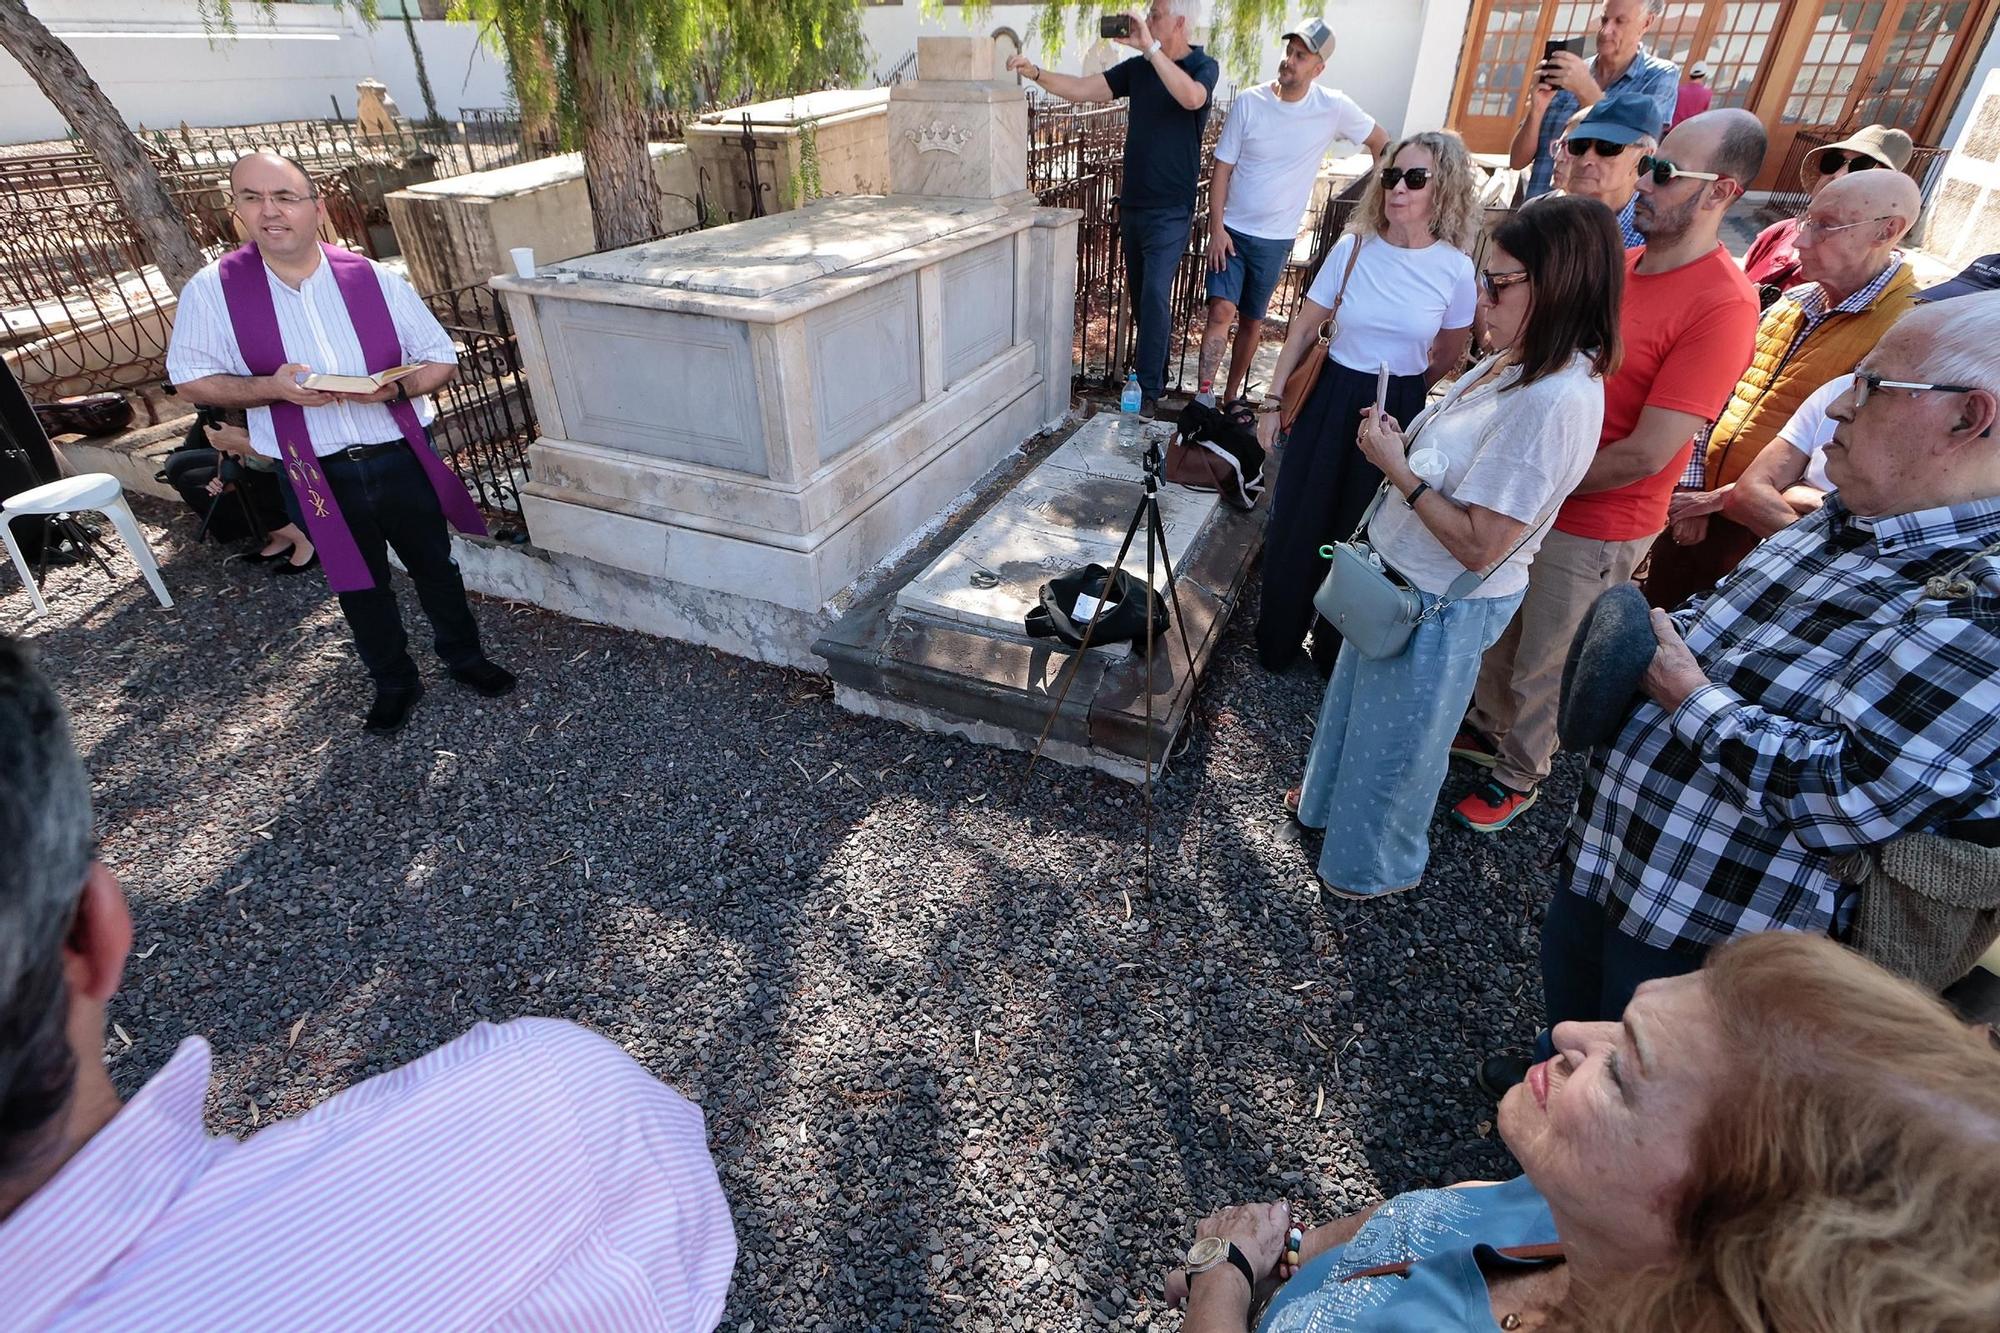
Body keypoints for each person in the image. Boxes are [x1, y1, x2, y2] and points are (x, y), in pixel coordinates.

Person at [0, 637, 736, 1326]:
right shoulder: (549, 1094)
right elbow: (685, 1253)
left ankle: (462, 654)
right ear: (99, 925)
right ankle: (400, 678)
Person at [1531, 293, 2000, 1049]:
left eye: (1872, 385)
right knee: (1574, 1023)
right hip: (1623, 851)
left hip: (1717, 923)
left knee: (1656, 1104)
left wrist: (1687, 698)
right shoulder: (1846, 513)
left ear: (1968, 417)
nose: (1841, 407)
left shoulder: (1981, 601)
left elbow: (1848, 795)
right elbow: (1712, 622)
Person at [1163, 932, 2000, 1332]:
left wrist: (1223, 1281)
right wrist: (1296, 1246)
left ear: (1740, 1248)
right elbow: (1430, 1219)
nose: (1569, 1034)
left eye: (1625, 1069)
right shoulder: (1588, 1203)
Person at [1285, 196, 1623, 898]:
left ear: (1557, 284)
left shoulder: (1553, 399)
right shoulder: (1516, 361)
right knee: (1358, 716)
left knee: (1397, 752)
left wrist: (1397, 469)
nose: (1480, 300)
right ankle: (1327, 815)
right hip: (1404, 583)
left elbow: (1481, 545)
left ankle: (1367, 868)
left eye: (1499, 285)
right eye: (1483, 278)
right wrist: (1405, 446)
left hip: (1440, 601)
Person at [1454, 111, 1765, 832]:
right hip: (1537, 494)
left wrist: (1533, 482)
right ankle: (1487, 726)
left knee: (1550, 653)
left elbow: (1650, 450)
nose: (1646, 183)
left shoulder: (1724, 304)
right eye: (1649, 165)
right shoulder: (1619, 268)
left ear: (1719, 190)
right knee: (1501, 627)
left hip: (1599, 517)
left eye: (1663, 172)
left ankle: (1521, 770)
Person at [167, 152, 516, 736]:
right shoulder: (215, 291)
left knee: (436, 564)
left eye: (284, 196)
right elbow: (191, 378)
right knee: (358, 580)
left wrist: (393, 388)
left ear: (317, 208)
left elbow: (440, 358)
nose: (270, 211)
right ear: (237, 213)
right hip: (313, 470)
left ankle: (464, 657)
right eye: (252, 198)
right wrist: (269, 389)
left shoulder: (372, 278)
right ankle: (394, 682)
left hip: (398, 456)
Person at [1253, 132, 1480, 674]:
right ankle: (1278, 639)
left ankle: (1338, 651)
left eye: (1415, 178)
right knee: (1299, 517)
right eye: (1392, 176)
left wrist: (1404, 390)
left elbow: (1450, 349)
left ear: (1442, 188)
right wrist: (1272, 397)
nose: (1398, 188)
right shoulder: (1353, 248)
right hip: (1332, 390)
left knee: (1368, 531)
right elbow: (1305, 326)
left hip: (1396, 402)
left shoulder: (1453, 268)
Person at [1643, 167, 1921, 607]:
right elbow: (1717, 395)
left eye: (1827, 227)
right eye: (1808, 221)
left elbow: (1854, 455)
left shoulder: (1906, 333)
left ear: (1887, 231)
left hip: (1771, 537)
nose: (1800, 241)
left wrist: (1723, 499)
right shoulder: (1792, 302)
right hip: (1694, 518)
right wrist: (1692, 490)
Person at [1009, 1, 1218, 416]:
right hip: (1135, 204)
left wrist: (1150, 49)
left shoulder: (1201, 66)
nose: (1146, 17)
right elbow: (1085, 89)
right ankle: (1151, 376)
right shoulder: (1139, 69)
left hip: (1171, 209)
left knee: (1157, 292)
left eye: (1155, 13)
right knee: (1143, 300)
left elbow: (1193, 99)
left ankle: (1147, 396)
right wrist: (1036, 73)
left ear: (1178, 22)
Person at [1706, 258, 2000, 540]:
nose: (1839, 409)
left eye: (1962, 314)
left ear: (1967, 417)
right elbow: (1750, 491)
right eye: (1937, 303)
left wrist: (1806, 498)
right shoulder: (1849, 387)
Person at [1196, 18, 1387, 410]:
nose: (1290, 61)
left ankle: (1231, 398)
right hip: (1231, 230)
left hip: (1276, 237)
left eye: (1301, 56)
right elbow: (1222, 170)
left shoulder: (1332, 108)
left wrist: (1379, 203)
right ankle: (1202, 395)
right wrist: (1216, 227)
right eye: (1289, 52)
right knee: (1221, 310)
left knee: (1251, 320)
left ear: (1318, 68)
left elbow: (1381, 142)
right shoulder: (1250, 102)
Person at [1511, 0, 1678, 201]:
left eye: (1620, 21)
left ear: (1646, 23)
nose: (1606, 30)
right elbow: (1517, 161)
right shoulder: (1569, 71)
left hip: (1597, 220)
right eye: (1604, 19)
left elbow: (1633, 146)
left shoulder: (1659, 75)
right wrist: (1537, 109)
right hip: (1540, 211)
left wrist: (1585, 89)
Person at [1741, 124, 1913, 301]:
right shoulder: (1778, 233)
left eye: (1862, 167)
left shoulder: (1881, 284)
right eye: (1833, 162)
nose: (1838, 174)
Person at [1533, 91, 1658, 247]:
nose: (1586, 159)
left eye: (1607, 147)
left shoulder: (1653, 238)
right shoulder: (1540, 217)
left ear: (1644, 155)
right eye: (1580, 145)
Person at [1670, 60, 1711, 126]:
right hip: (1690, 129)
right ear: (1704, 76)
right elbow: (1704, 114)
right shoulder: (1707, 93)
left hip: (1672, 129)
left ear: (1690, 75)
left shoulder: (1678, 90)